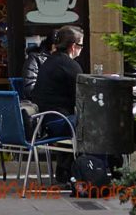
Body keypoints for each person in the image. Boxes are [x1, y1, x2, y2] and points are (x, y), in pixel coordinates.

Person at [30, 25, 84, 182]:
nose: (81, 50)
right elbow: (82, 98)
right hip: (58, 121)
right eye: (81, 46)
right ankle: (96, 169)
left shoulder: (49, 62)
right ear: (73, 46)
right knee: (93, 123)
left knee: (78, 121)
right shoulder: (70, 66)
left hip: (44, 120)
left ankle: (65, 170)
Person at [23, 32, 56, 98]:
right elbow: (29, 88)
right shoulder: (35, 58)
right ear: (54, 47)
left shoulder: (66, 60)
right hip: (40, 101)